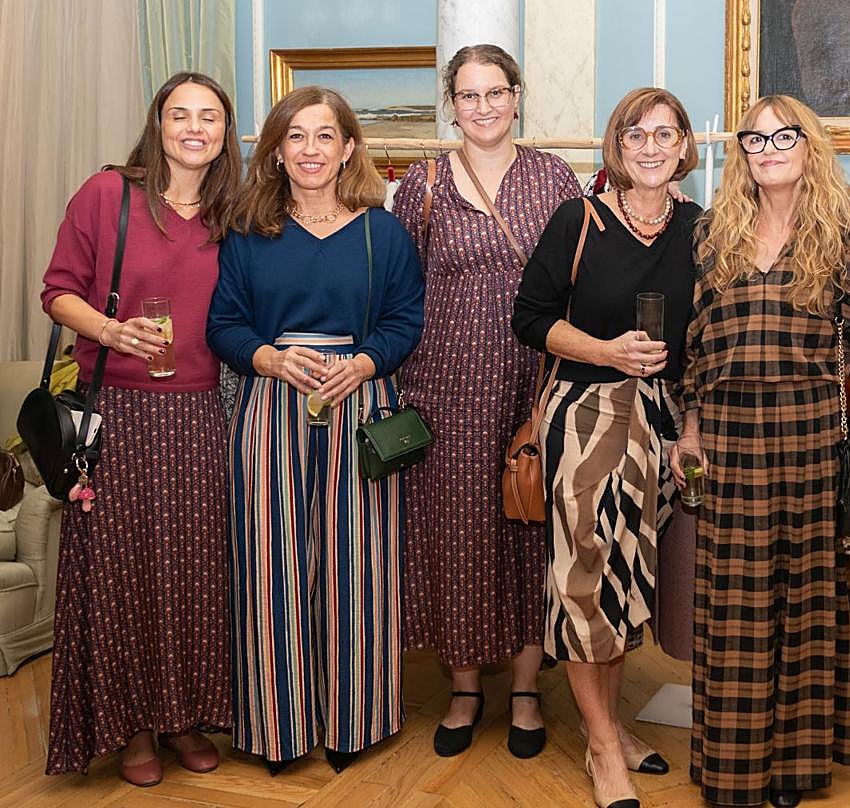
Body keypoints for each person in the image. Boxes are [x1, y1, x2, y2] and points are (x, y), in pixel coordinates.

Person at [206, 86, 424, 775]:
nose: (310, 150)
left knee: (357, 567)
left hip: (360, 403)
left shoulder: (381, 232)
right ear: (275, 151)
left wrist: (361, 362)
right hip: (270, 405)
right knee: (271, 570)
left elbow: (406, 320)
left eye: (324, 136)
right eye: (295, 137)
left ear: (349, 147)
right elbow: (223, 326)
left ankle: (354, 721)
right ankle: (279, 727)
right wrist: (269, 356)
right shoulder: (249, 233)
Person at [40, 71, 242, 785]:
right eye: (179, 114)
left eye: (209, 117)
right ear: (157, 126)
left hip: (197, 415)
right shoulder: (108, 195)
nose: (194, 127)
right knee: (122, 575)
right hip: (116, 415)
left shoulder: (233, 213)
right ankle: (129, 729)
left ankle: (183, 714)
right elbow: (57, 291)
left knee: (192, 574)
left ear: (225, 132)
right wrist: (110, 331)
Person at [671, 94, 850, 808]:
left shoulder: (843, 234)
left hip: (809, 434)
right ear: (741, 153)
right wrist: (689, 429)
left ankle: (793, 767)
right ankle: (732, 766)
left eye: (786, 135)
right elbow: (694, 346)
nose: (770, 146)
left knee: (806, 595)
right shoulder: (712, 234)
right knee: (734, 602)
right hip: (726, 434)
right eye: (755, 137)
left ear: (810, 145)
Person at [391, 44, 580, 760]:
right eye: (467, 96)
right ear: (451, 104)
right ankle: (465, 685)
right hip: (448, 385)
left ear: (517, 94)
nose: (483, 107)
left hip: (536, 378)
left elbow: (580, 269)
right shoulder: (424, 182)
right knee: (460, 533)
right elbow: (401, 289)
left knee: (531, 524)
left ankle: (527, 687)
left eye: (494, 92)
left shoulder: (554, 176)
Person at [513, 87, 701, 808]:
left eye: (664, 134)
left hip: (657, 424)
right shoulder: (579, 220)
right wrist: (605, 349)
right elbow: (529, 318)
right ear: (614, 148)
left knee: (623, 586)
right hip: (584, 416)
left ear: (684, 145)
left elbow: (706, 340)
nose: (650, 147)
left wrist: (690, 429)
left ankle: (611, 725)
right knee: (584, 579)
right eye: (635, 135)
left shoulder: (700, 230)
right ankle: (599, 746)